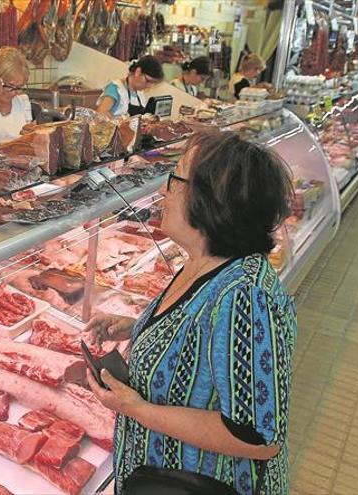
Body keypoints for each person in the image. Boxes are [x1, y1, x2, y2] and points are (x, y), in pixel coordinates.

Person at [86, 131, 297, 495]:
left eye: (176, 178)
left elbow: (260, 437)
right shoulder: (203, 263)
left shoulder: (246, 296)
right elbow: (203, 338)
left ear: (212, 202)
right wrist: (137, 328)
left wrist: (137, 409)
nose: (165, 190)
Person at [95, 56, 164, 119]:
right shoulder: (115, 88)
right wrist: (120, 122)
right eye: (148, 81)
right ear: (138, 72)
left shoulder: (139, 93)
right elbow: (100, 113)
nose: (149, 86)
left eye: (153, 83)